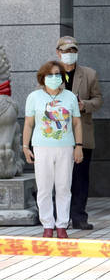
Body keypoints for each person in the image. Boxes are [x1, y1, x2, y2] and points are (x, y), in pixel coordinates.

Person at [22, 61, 83, 238]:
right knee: (44, 188)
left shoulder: (70, 97)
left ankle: (62, 225)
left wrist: (78, 146)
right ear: (43, 78)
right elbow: (28, 123)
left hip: (65, 147)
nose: (55, 78)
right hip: (42, 147)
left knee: (64, 187)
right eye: (50, 75)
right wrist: (25, 147)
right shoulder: (34, 97)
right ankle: (48, 225)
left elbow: (77, 123)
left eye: (58, 74)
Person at [54, 36, 102, 231]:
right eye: (65, 51)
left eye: (73, 51)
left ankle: (79, 217)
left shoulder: (89, 74)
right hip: (57, 136)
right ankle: (59, 218)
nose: (69, 55)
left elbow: (99, 99)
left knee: (80, 178)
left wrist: (84, 105)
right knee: (60, 178)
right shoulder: (50, 74)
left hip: (82, 135)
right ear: (58, 53)